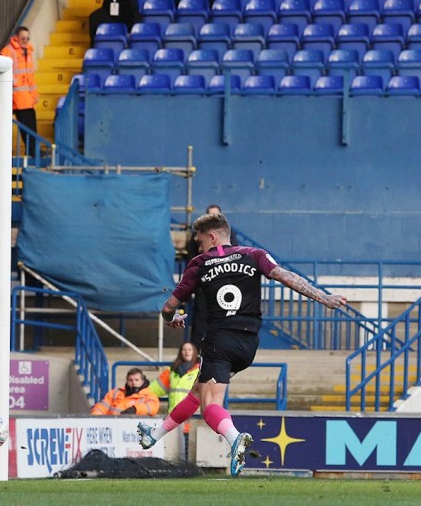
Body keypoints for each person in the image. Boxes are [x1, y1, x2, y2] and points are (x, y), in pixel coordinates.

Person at [137, 212, 347, 477]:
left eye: (200, 241)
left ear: (212, 237)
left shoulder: (200, 263)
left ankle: (235, 437)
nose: (199, 247)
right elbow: (286, 276)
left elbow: (168, 308)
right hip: (248, 345)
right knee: (197, 392)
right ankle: (154, 434)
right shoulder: (254, 254)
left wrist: (173, 318)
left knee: (209, 405)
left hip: (219, 341)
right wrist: (324, 298)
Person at [185, 204, 238, 348]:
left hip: (223, 283)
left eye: (216, 215)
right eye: (211, 215)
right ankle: (195, 350)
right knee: (200, 317)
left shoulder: (229, 234)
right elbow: (191, 256)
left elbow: (233, 254)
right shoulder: (198, 234)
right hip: (204, 283)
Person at [0, 26, 39, 152]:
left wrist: (34, 95)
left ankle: (33, 151)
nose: (25, 41)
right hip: (17, 96)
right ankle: (33, 151)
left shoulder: (28, 52)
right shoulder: (8, 52)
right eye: (23, 38)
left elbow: (30, 76)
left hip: (26, 96)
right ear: (16, 38)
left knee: (30, 124)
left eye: (27, 38)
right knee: (26, 125)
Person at [149, 342, 200, 413]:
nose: (187, 352)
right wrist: (140, 392)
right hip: (173, 414)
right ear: (180, 353)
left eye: (189, 349)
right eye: (184, 349)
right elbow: (155, 388)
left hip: (192, 415)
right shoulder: (172, 371)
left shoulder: (200, 371)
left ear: (194, 352)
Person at [90, 367, 160, 416]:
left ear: (142, 381)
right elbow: (101, 407)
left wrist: (135, 409)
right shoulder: (116, 392)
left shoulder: (149, 395)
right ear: (127, 381)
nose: (133, 382)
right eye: (130, 380)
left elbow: (152, 408)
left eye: (136, 380)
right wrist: (96, 417)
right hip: (112, 425)